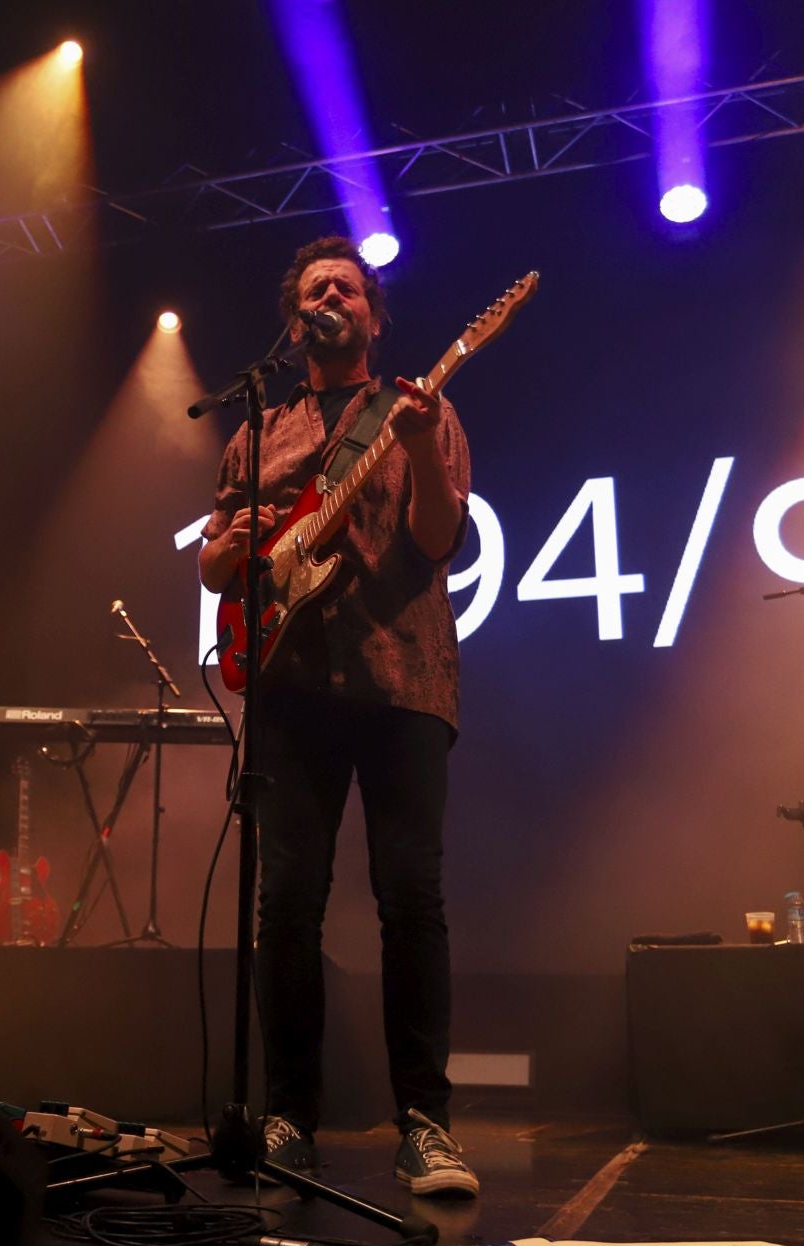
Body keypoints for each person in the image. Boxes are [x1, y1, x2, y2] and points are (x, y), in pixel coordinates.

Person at [197, 237, 477, 1197]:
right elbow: (213, 565)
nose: (330, 297)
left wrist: (418, 454)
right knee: (285, 907)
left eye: (346, 288)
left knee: (412, 901)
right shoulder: (255, 432)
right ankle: (287, 1117)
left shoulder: (418, 411)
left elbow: (438, 539)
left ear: (373, 315)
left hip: (404, 681)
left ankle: (426, 1128)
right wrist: (230, 552)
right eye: (315, 288)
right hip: (291, 688)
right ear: (295, 319)